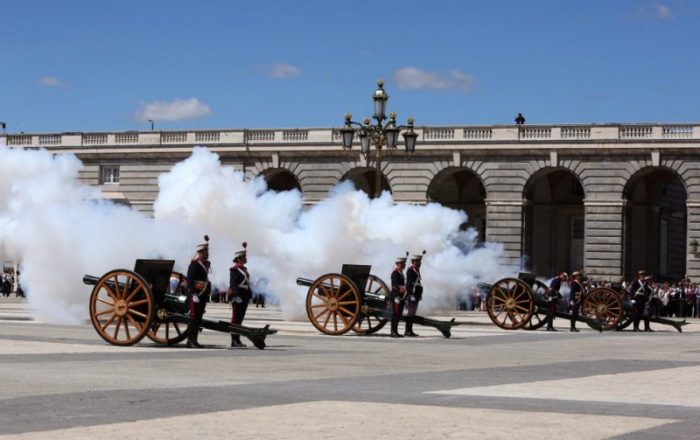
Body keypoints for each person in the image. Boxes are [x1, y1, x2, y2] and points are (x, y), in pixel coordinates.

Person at [186, 236, 211, 348]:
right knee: (194, 318)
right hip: (196, 294)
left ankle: (193, 340)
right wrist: (193, 294)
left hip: (202, 294)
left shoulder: (205, 263)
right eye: (206, 251)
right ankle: (190, 340)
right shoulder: (195, 264)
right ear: (200, 252)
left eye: (207, 251)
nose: (207, 253)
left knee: (198, 319)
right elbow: (190, 279)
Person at [227, 243, 252, 348]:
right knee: (235, 319)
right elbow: (233, 284)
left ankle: (238, 339)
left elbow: (247, 284)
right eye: (243, 257)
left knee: (240, 319)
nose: (245, 259)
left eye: (245, 257)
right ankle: (234, 340)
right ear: (238, 259)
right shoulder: (234, 270)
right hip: (237, 297)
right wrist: (236, 296)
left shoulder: (244, 269)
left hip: (244, 296)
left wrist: (249, 295)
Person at [404, 251, 426, 337]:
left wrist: (419, 295)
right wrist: (411, 295)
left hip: (416, 295)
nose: (420, 263)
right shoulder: (410, 270)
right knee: (410, 313)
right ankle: (407, 331)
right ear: (414, 262)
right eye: (418, 261)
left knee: (413, 314)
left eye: (420, 261)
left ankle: (410, 330)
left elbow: (418, 283)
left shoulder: (416, 270)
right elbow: (409, 284)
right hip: (412, 295)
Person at [389, 254, 407, 338]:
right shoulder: (395, 273)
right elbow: (394, 286)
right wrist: (401, 290)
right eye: (402, 263)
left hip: (401, 296)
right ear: (398, 264)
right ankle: (393, 332)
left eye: (404, 263)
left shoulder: (400, 273)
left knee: (399, 314)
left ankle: (396, 331)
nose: (404, 264)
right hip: (396, 296)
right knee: (395, 314)